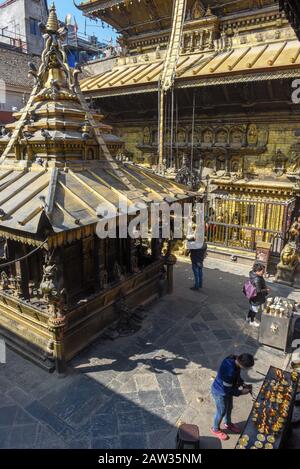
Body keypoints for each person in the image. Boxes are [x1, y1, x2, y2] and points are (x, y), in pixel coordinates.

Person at [211, 353, 254, 441]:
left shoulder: (235, 359)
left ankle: (228, 423)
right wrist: (242, 392)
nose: (248, 369)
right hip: (220, 392)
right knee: (221, 411)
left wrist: (242, 383)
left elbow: (237, 376)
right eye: (248, 367)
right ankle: (215, 429)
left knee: (229, 407)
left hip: (227, 390)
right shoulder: (230, 371)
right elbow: (227, 390)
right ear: (242, 364)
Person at [247, 262, 269, 327]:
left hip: (252, 297)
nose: (264, 272)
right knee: (254, 310)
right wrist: (266, 290)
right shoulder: (257, 279)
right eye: (262, 271)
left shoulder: (253, 274)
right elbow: (258, 291)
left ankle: (248, 317)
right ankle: (252, 321)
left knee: (252, 308)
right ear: (257, 271)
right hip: (256, 298)